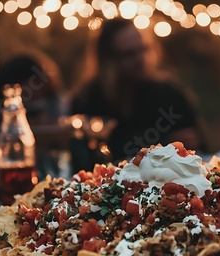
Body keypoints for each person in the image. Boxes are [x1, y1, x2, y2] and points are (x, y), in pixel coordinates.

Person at [70, 18, 202, 171]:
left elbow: (199, 145)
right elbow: (88, 161)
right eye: (129, 54)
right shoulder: (88, 100)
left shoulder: (169, 94)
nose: (140, 59)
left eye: (143, 49)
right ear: (108, 60)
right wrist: (165, 143)